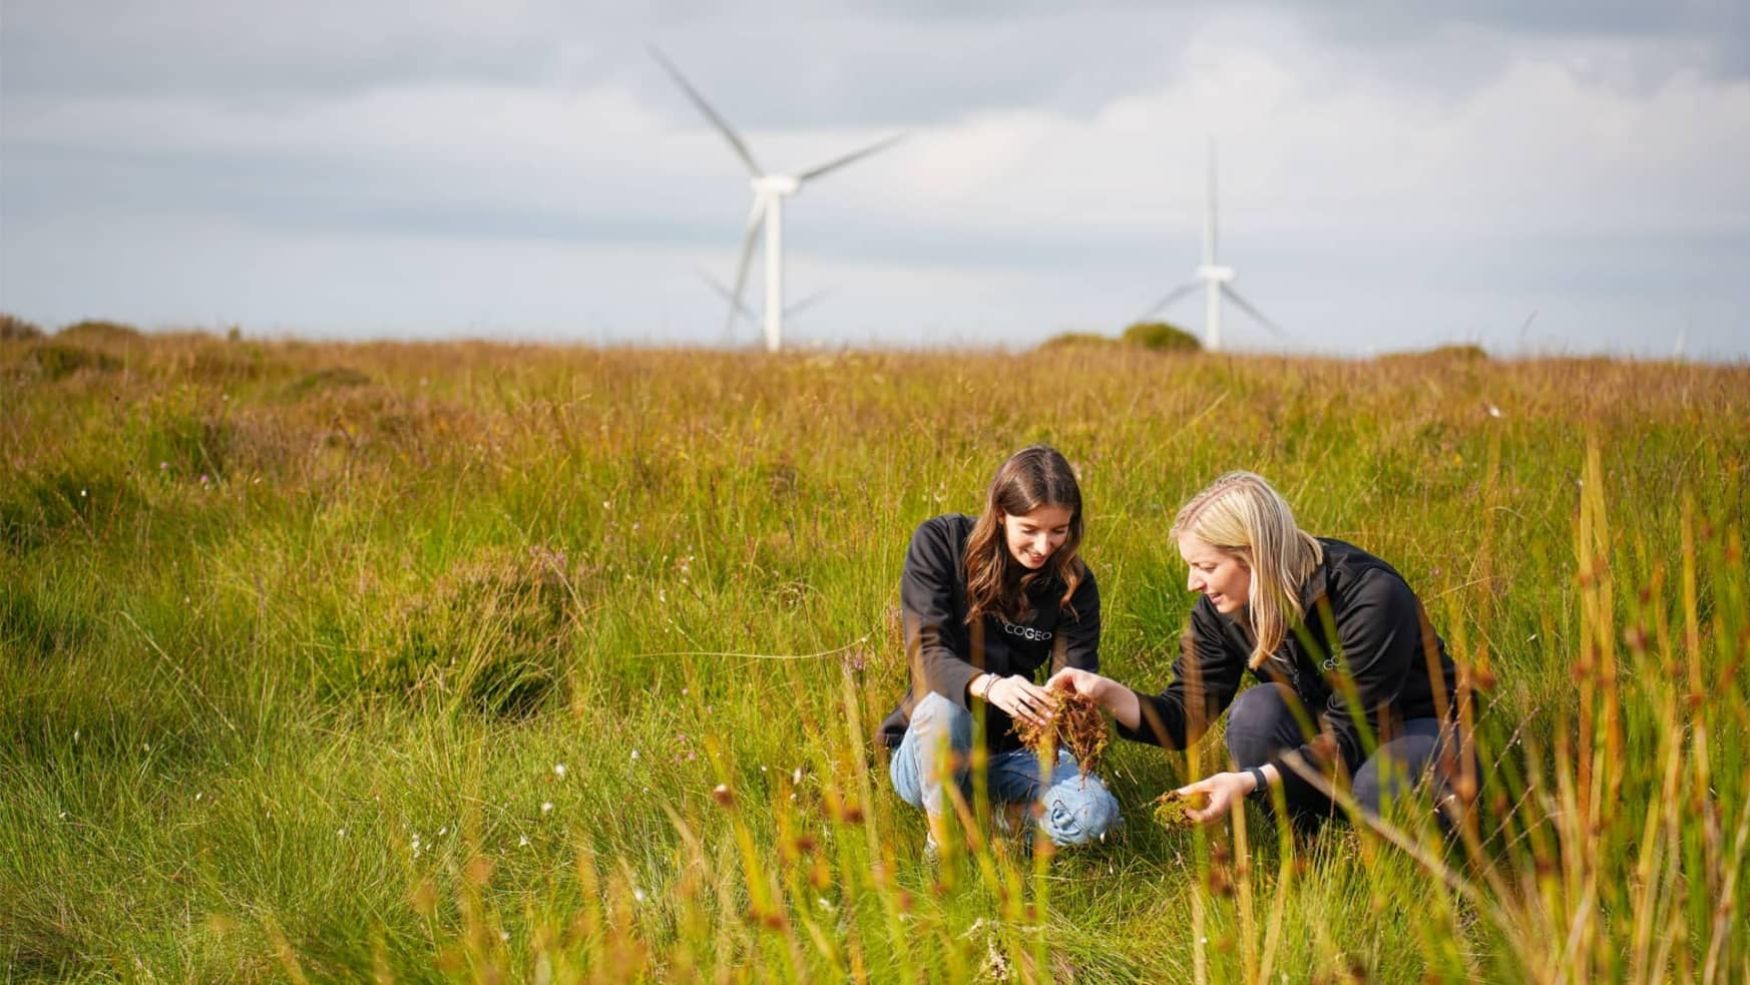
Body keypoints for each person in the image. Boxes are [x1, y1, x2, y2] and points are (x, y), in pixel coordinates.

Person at [1050, 471, 1468, 830]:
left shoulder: (1368, 595)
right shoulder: (1222, 612)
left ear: (1254, 556)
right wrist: (1105, 693)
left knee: (1379, 783)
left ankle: (1417, 869)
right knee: (1257, 713)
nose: (1193, 583)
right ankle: (1307, 845)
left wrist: (1249, 781)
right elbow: (1184, 717)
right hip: (1332, 739)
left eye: (1207, 567)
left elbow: (1355, 732)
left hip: (1417, 731)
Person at [879, 445, 1120, 849]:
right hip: (928, 751)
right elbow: (927, 654)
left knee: (1096, 814)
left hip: (1012, 754)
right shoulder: (941, 542)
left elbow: (1075, 676)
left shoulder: (1074, 583)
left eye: (1058, 531)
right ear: (1000, 513)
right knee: (947, 707)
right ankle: (944, 847)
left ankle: (990, 822)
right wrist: (991, 686)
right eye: (1029, 529)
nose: (1044, 547)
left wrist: (1062, 700)